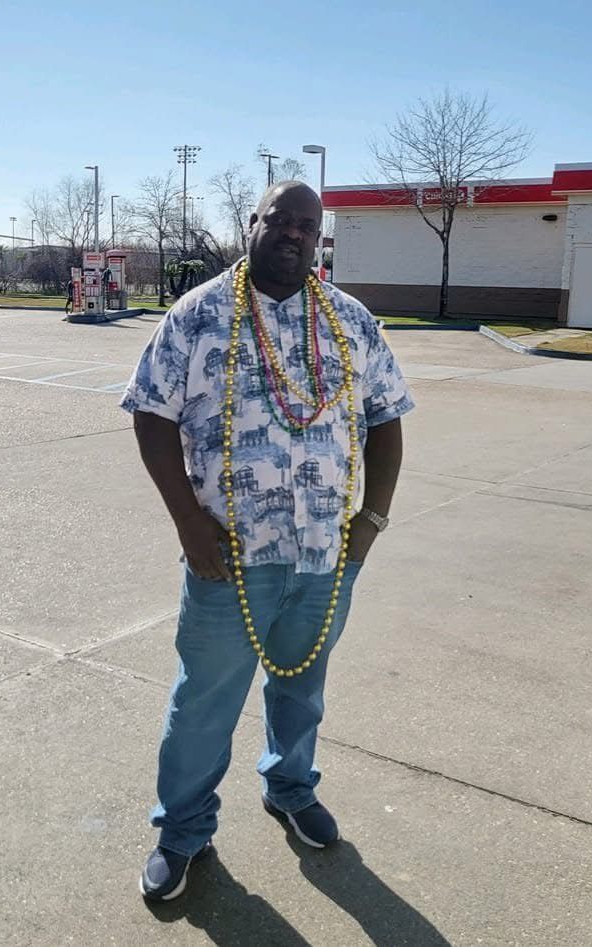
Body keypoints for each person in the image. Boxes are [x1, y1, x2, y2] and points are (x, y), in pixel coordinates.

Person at [121, 181, 413, 901]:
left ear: (320, 239)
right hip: (228, 558)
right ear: (251, 224)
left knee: (302, 689)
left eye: (307, 226)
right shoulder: (199, 314)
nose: (293, 234)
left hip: (323, 554)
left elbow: (386, 419)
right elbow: (151, 414)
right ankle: (182, 830)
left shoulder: (350, 320)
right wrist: (190, 522)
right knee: (203, 703)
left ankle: (289, 785)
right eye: (279, 220)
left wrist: (369, 521)